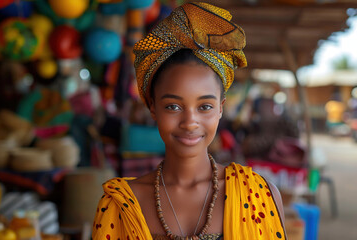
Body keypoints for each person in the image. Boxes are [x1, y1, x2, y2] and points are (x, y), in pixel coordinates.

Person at [92, 2, 286, 240]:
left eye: (205, 106)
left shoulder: (258, 196)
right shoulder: (120, 205)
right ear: (153, 107)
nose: (190, 122)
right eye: (173, 106)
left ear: (220, 109)